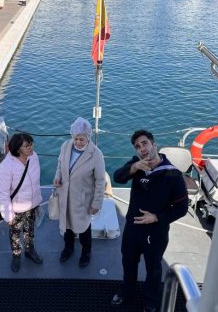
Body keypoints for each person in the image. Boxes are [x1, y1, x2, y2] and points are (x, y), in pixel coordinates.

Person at [111, 130, 188, 312]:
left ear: (154, 145)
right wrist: (135, 167)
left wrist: (156, 217)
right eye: (138, 146)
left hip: (155, 231)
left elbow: (182, 208)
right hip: (133, 228)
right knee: (128, 261)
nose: (142, 149)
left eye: (144, 143)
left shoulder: (172, 175)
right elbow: (118, 177)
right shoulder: (137, 166)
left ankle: (150, 301)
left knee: (153, 268)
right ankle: (127, 291)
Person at [53, 117, 106, 268]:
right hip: (65, 196)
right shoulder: (66, 146)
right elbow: (60, 163)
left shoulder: (96, 154)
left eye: (81, 139)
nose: (78, 142)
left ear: (88, 137)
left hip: (83, 200)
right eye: (76, 138)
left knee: (84, 229)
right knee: (67, 226)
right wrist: (58, 177)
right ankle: (68, 248)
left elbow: (100, 181)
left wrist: (96, 203)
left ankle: (86, 252)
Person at [0, 133, 43, 272]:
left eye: (31, 144)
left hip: (31, 204)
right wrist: (8, 215)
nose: (31, 148)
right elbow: (3, 193)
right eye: (27, 146)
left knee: (30, 230)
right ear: (17, 149)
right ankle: (16, 256)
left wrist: (37, 201)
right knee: (15, 234)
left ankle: (29, 251)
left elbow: (35, 181)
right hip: (16, 208)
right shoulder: (6, 167)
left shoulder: (33, 157)